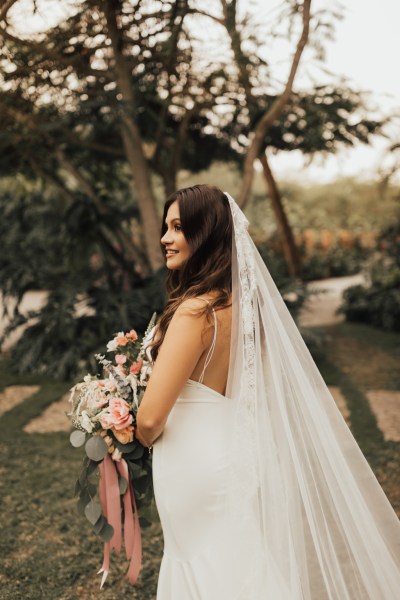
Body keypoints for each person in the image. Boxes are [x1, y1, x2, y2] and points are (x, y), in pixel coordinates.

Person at [135, 184, 400, 599]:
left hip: (193, 466)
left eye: (177, 228)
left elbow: (150, 419)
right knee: (235, 562)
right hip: (230, 456)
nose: (165, 239)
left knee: (204, 566)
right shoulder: (239, 308)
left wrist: (123, 432)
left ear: (204, 234)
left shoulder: (194, 311)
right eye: (166, 228)